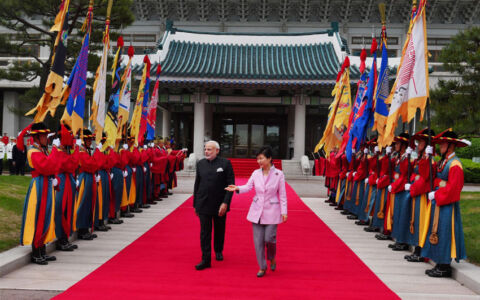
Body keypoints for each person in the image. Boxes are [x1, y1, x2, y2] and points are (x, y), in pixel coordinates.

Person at [226, 146, 287, 277]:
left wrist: (284, 211)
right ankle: (262, 267)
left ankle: (272, 257)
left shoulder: (279, 174)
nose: (259, 161)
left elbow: (282, 194)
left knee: (269, 238)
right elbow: (248, 187)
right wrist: (237, 188)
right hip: (256, 210)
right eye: (257, 158)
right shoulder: (255, 173)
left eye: (261, 158)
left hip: (272, 210)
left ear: (269, 158)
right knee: (258, 241)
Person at [422, 129, 468, 277]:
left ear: (451, 146)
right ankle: (439, 262)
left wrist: (437, 192)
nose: (440, 147)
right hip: (440, 201)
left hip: (447, 204)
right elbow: (430, 175)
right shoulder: (444, 161)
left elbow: (454, 189)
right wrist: (427, 158)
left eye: (443, 145)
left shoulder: (455, 164)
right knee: (438, 231)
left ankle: (444, 265)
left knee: (445, 233)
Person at [19, 123, 60, 264]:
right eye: (43, 136)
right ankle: (36, 251)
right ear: (36, 137)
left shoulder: (41, 150)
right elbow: (46, 167)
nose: (46, 139)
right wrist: (55, 149)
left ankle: (42, 249)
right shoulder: (33, 151)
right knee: (39, 218)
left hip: (45, 184)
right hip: (39, 186)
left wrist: (54, 178)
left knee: (46, 216)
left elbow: (52, 167)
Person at [193, 141, 234, 270]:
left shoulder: (225, 164)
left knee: (219, 228)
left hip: (219, 203)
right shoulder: (200, 164)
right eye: (205, 149)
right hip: (203, 203)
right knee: (205, 232)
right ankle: (205, 258)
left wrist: (226, 203)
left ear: (217, 150)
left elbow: (230, 185)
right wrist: (196, 204)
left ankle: (218, 250)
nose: (206, 151)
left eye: (210, 149)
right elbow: (197, 184)